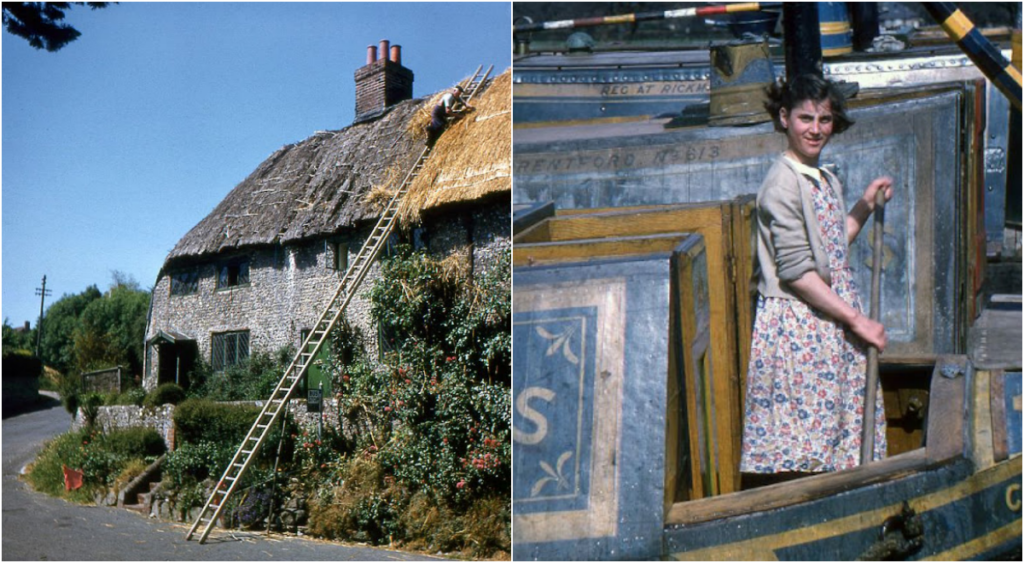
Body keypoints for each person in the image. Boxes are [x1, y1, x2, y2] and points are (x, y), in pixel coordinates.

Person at [740, 74, 894, 481]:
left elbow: (830, 247)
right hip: (802, 327)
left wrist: (862, 206)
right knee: (810, 446)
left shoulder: (823, 177)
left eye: (824, 120)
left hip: (831, 322)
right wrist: (857, 321)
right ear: (784, 118)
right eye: (805, 118)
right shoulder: (781, 184)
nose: (815, 129)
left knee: (840, 439)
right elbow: (798, 274)